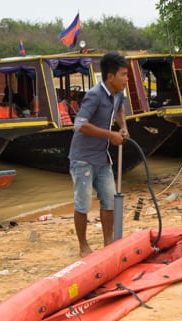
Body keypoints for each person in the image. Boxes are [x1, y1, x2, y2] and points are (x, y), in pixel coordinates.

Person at [68, 52, 129, 257]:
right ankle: (83, 246)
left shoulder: (119, 93)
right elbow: (79, 124)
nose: (126, 79)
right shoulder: (95, 94)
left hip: (103, 157)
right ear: (110, 77)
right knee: (83, 203)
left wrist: (123, 127)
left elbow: (120, 111)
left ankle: (108, 241)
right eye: (123, 75)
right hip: (83, 158)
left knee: (110, 199)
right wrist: (110, 134)